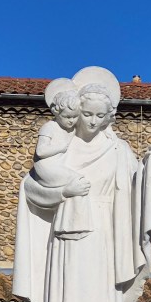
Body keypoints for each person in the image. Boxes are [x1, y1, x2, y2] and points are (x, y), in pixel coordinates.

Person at [12, 68, 151, 302]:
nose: (93, 121)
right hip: (69, 240)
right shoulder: (59, 147)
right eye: (87, 114)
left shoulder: (120, 149)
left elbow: (135, 191)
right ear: (75, 112)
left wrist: (149, 166)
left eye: (100, 115)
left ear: (110, 116)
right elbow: (32, 189)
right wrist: (64, 190)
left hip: (107, 240)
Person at [33, 89, 93, 239]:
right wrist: (60, 147)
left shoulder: (72, 128)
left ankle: (75, 222)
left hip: (58, 165)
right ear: (56, 113)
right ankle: (69, 226)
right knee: (78, 182)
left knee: (80, 184)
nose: (71, 121)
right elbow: (40, 151)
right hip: (46, 167)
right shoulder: (49, 127)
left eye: (74, 117)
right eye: (66, 117)